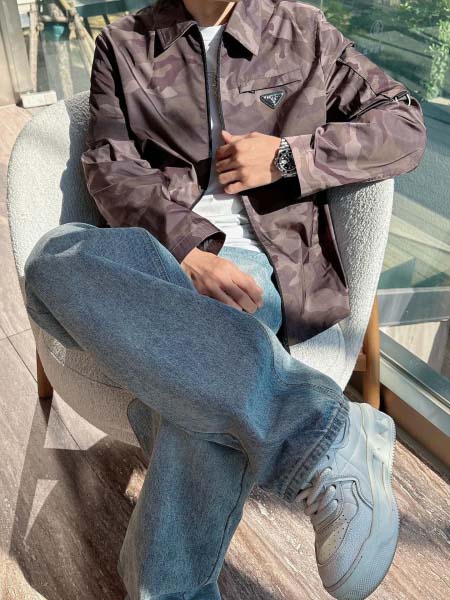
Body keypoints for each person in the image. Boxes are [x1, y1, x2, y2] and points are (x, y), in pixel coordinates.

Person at [23, 1, 427, 599]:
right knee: (53, 260)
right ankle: (321, 433)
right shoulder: (125, 42)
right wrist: (186, 249)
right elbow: (111, 169)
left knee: (195, 384)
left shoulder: (301, 31)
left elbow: (404, 126)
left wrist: (288, 157)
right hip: (153, 254)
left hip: (260, 262)